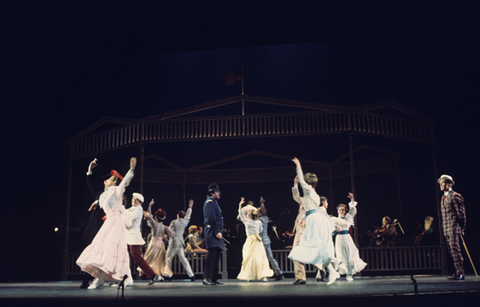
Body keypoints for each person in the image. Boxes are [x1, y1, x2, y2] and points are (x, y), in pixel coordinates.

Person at [76, 157, 136, 290]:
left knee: (109, 249)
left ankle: (100, 279)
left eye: (113, 178)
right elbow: (102, 200)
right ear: (105, 182)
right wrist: (95, 203)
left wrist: (131, 170)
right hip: (108, 223)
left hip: (115, 222)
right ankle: (106, 278)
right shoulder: (103, 195)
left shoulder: (116, 191)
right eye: (110, 178)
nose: (112, 179)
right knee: (102, 249)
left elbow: (124, 183)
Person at [287, 157, 340, 285]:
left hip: (312, 224)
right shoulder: (312, 196)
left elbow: (314, 211)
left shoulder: (309, 192)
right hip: (311, 222)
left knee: (304, 250)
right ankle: (325, 269)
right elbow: (298, 199)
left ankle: (326, 268)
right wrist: (295, 185)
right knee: (314, 248)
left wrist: (298, 165)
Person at [122, 193, 160, 285]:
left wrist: (121, 212)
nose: (133, 201)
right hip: (127, 236)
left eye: (136, 200)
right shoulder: (131, 209)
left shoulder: (138, 210)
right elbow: (124, 213)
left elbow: (128, 221)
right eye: (133, 199)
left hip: (133, 237)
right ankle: (124, 278)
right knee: (123, 257)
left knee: (137, 258)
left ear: (140, 202)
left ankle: (152, 275)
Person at [330, 193, 367, 281]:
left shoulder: (348, 218)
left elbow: (353, 210)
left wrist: (352, 200)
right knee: (340, 255)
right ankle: (340, 272)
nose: (341, 211)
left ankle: (349, 274)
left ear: (345, 211)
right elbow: (331, 230)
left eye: (343, 210)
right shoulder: (334, 219)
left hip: (347, 237)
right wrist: (335, 230)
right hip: (339, 238)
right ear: (337, 211)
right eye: (340, 209)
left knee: (349, 254)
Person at [237, 197, 274, 281]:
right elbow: (260, 230)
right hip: (258, 241)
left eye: (247, 214)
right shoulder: (259, 222)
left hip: (250, 241)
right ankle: (263, 276)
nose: (246, 215)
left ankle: (249, 276)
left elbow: (241, 215)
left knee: (249, 257)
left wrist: (240, 205)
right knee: (260, 257)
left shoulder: (248, 222)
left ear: (249, 215)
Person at [438, 174, 466, 280]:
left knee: (455, 250)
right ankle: (456, 272)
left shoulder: (455, 196)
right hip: (446, 228)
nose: (441, 185)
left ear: (449, 184)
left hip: (454, 227)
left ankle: (461, 273)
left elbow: (461, 214)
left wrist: (462, 228)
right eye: (440, 183)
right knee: (451, 251)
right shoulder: (443, 198)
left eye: (443, 183)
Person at [140, 199, 173, 280]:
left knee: (151, 258)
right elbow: (171, 234)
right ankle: (159, 274)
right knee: (160, 260)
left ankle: (154, 274)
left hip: (154, 242)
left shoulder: (155, 224)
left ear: (156, 217)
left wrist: (149, 206)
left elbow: (148, 216)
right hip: (161, 243)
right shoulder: (164, 227)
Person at [165, 199, 195, 281]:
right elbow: (188, 216)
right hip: (181, 242)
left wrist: (165, 233)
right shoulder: (185, 222)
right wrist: (190, 207)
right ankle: (191, 275)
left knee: (168, 258)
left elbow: (169, 231)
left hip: (174, 242)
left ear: (178, 215)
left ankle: (169, 275)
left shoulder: (174, 222)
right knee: (183, 259)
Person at [202, 183, 226, 285]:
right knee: (212, 255)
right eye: (217, 191)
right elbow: (211, 218)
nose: (219, 193)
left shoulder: (213, 202)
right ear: (211, 193)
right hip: (212, 231)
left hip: (215, 231)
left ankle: (213, 278)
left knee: (216, 255)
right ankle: (206, 278)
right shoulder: (209, 202)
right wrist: (216, 231)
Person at [257, 197, 284, 281]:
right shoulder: (266, 218)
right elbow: (263, 211)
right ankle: (279, 273)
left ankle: (264, 275)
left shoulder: (259, 220)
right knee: (271, 258)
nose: (256, 213)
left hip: (262, 241)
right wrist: (262, 204)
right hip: (267, 240)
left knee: (262, 258)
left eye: (258, 212)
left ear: (260, 213)